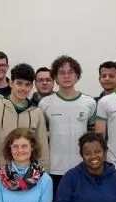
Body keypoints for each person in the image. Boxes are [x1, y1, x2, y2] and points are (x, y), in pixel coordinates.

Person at [39, 55, 97, 187]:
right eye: (62, 72)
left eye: (70, 72)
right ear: (55, 77)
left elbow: (93, 134)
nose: (66, 76)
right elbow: (41, 136)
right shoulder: (45, 103)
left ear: (77, 76)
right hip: (54, 168)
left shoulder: (90, 103)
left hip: (82, 166)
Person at [0, 63, 51, 169]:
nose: (23, 88)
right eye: (19, 83)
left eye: (27, 84)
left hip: (28, 178)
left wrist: (44, 173)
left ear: (32, 86)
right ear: (11, 83)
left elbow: (42, 149)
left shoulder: (37, 113)